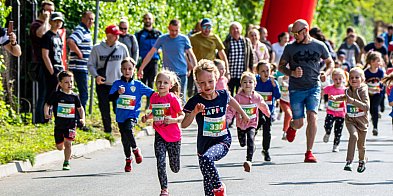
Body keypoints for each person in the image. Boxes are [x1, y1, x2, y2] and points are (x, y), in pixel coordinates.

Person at [181, 59, 249, 196]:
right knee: (207, 180)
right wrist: (194, 112)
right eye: (202, 83)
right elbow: (184, 124)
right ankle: (213, 189)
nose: (207, 85)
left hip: (222, 141)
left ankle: (219, 186)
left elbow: (232, 100)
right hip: (203, 145)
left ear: (216, 78)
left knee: (207, 160)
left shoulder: (223, 95)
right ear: (197, 83)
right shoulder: (194, 101)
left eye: (210, 81)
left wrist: (242, 113)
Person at [278, 19, 334, 163]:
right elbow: (281, 66)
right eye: (293, 33)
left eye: (296, 33)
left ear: (305, 31)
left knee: (312, 116)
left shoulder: (319, 46)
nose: (294, 36)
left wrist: (325, 74)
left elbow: (330, 63)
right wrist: (291, 73)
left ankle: (309, 152)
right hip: (296, 89)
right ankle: (292, 126)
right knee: (299, 123)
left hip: (313, 87)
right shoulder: (290, 47)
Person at [141, 70, 183, 196]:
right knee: (160, 161)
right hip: (160, 134)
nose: (161, 85)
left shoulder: (172, 98)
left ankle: (174, 165)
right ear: (156, 84)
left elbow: (182, 115)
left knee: (175, 168)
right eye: (159, 82)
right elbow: (156, 112)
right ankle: (164, 189)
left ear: (170, 85)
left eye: (165, 82)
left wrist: (173, 120)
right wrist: (147, 117)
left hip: (174, 136)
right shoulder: (154, 97)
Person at [108, 57, 154, 172]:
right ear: (121, 70)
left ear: (134, 69)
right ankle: (128, 159)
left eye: (129, 68)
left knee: (129, 129)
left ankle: (135, 150)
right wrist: (118, 93)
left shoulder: (138, 85)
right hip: (120, 116)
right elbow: (110, 97)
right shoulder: (117, 84)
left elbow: (152, 93)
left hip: (132, 115)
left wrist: (164, 95)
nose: (127, 71)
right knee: (124, 139)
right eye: (124, 69)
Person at [138, 19, 197, 102]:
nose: (174, 33)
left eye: (176, 30)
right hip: (168, 75)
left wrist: (196, 70)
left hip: (181, 73)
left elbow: (191, 54)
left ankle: (181, 115)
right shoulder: (162, 39)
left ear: (179, 29)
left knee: (181, 99)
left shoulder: (184, 39)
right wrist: (141, 68)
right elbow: (151, 53)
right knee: (167, 98)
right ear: (168, 28)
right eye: (172, 30)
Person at [87, 24, 129, 133]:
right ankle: (107, 130)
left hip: (118, 84)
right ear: (108, 35)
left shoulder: (122, 48)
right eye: (114, 35)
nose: (116, 37)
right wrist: (96, 75)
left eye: (117, 35)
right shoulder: (97, 48)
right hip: (103, 84)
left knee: (119, 108)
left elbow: (128, 63)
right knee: (104, 108)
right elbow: (91, 64)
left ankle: (123, 128)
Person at [226, 71, 270, 172]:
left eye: (250, 82)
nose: (248, 84)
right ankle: (247, 145)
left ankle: (248, 161)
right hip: (240, 125)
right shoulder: (238, 98)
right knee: (242, 143)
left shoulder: (257, 97)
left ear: (255, 84)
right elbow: (231, 109)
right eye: (245, 82)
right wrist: (228, 120)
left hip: (252, 123)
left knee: (251, 139)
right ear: (241, 84)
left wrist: (268, 114)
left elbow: (263, 105)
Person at [44, 71, 85, 170]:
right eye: (66, 82)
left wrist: (82, 118)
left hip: (71, 124)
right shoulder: (57, 95)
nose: (69, 84)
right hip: (59, 125)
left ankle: (66, 162)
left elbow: (80, 108)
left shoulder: (74, 96)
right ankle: (63, 148)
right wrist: (46, 113)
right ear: (60, 84)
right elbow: (47, 104)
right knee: (59, 147)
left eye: (71, 82)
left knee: (68, 143)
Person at [330, 67, 369, 173]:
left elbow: (366, 107)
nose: (354, 79)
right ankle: (349, 161)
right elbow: (344, 96)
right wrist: (336, 98)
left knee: (361, 145)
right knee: (353, 136)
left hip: (362, 121)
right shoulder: (348, 90)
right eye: (351, 77)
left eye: (357, 77)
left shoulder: (363, 91)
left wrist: (352, 101)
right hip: (350, 119)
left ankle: (362, 160)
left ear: (362, 79)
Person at [190, 18, 229, 96]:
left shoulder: (214, 38)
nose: (207, 30)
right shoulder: (193, 38)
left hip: (211, 68)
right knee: (198, 90)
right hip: (198, 68)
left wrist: (227, 71)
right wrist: (190, 65)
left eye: (209, 27)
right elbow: (187, 52)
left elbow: (222, 54)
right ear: (200, 28)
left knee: (213, 90)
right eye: (204, 27)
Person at [30, 0, 55, 124]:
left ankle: (46, 117)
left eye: (52, 11)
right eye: (48, 10)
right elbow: (40, 34)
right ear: (42, 11)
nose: (50, 13)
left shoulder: (49, 25)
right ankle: (39, 120)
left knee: (49, 92)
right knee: (43, 92)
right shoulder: (37, 24)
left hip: (49, 63)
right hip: (40, 63)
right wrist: (46, 20)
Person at [67, 11, 94, 117]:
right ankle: (79, 118)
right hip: (78, 67)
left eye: (92, 19)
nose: (90, 21)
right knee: (84, 94)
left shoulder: (86, 31)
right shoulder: (80, 30)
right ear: (83, 18)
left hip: (82, 67)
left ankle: (77, 116)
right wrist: (79, 53)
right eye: (88, 19)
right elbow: (70, 41)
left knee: (81, 93)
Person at [255, 61, 280, 161]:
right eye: (263, 71)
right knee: (255, 126)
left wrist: (274, 85)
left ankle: (266, 150)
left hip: (268, 111)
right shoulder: (255, 81)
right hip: (256, 111)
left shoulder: (272, 82)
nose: (266, 73)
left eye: (267, 71)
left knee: (267, 131)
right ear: (258, 72)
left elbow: (278, 96)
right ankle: (250, 144)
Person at [223, 22, 254, 96]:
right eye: (233, 29)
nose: (235, 30)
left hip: (242, 74)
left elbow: (251, 56)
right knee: (229, 94)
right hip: (230, 74)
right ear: (230, 31)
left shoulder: (246, 41)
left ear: (241, 30)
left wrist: (251, 69)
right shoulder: (226, 42)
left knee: (241, 94)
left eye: (237, 28)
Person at [41, 12, 65, 102]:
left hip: (59, 68)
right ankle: (45, 115)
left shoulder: (58, 36)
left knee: (58, 94)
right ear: (51, 22)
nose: (58, 23)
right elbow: (45, 55)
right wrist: (51, 71)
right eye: (55, 21)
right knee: (49, 95)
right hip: (50, 70)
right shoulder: (47, 36)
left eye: (60, 21)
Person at [322, 68, 347, 152]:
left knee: (338, 131)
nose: (338, 81)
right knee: (327, 125)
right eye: (335, 79)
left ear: (343, 79)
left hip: (341, 113)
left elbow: (349, 99)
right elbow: (322, 92)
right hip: (331, 112)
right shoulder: (329, 88)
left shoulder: (345, 90)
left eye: (340, 79)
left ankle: (336, 145)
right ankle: (327, 133)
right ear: (332, 79)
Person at [135, 13, 162, 89]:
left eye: (149, 19)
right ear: (143, 20)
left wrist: (160, 50)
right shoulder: (139, 34)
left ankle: (150, 100)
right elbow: (135, 47)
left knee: (152, 81)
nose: (147, 20)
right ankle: (140, 99)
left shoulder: (158, 34)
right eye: (146, 19)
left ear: (152, 20)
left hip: (154, 60)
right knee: (141, 81)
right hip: (142, 60)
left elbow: (163, 45)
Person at [364, 51, 385, 136]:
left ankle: (375, 127)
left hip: (378, 94)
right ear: (372, 62)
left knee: (375, 107)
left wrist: (381, 89)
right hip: (368, 94)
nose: (379, 63)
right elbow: (363, 83)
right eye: (378, 61)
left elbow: (383, 82)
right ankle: (373, 119)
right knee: (371, 109)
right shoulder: (366, 72)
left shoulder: (380, 72)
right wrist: (367, 88)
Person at [277, 74, 292, 140]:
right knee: (288, 115)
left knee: (292, 118)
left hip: (292, 101)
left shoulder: (292, 79)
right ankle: (285, 132)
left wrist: (287, 86)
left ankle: (290, 132)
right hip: (283, 101)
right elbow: (277, 88)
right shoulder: (280, 78)